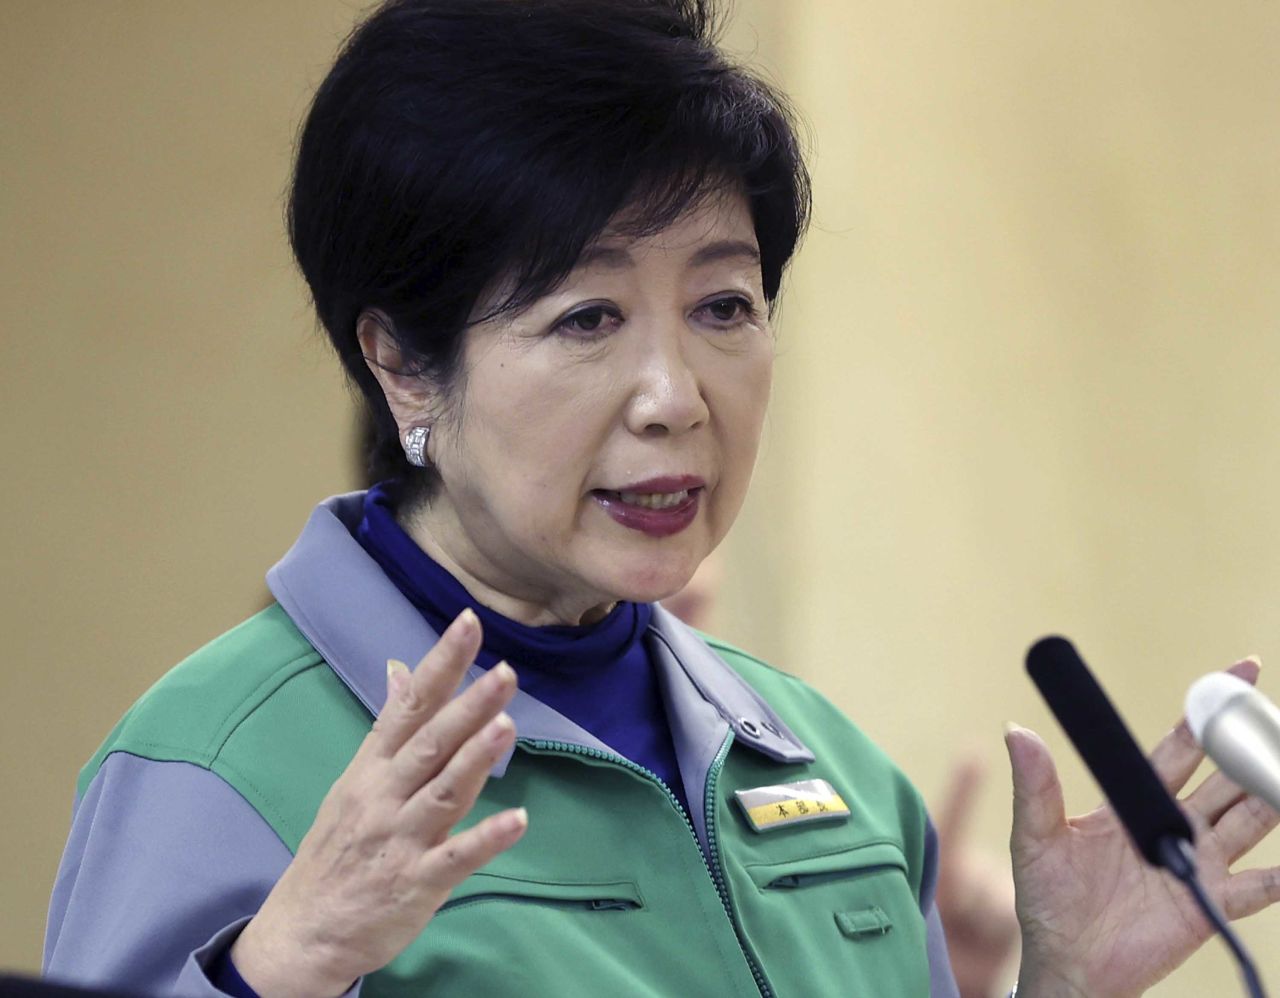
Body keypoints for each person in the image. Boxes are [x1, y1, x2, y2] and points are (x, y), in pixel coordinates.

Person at [41, 2, 1280, 996]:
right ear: (402, 361)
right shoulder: (217, 763)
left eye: (723, 305)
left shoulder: (830, 770)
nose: (673, 396)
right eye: (586, 317)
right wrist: (276, 974)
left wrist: (1059, 983)